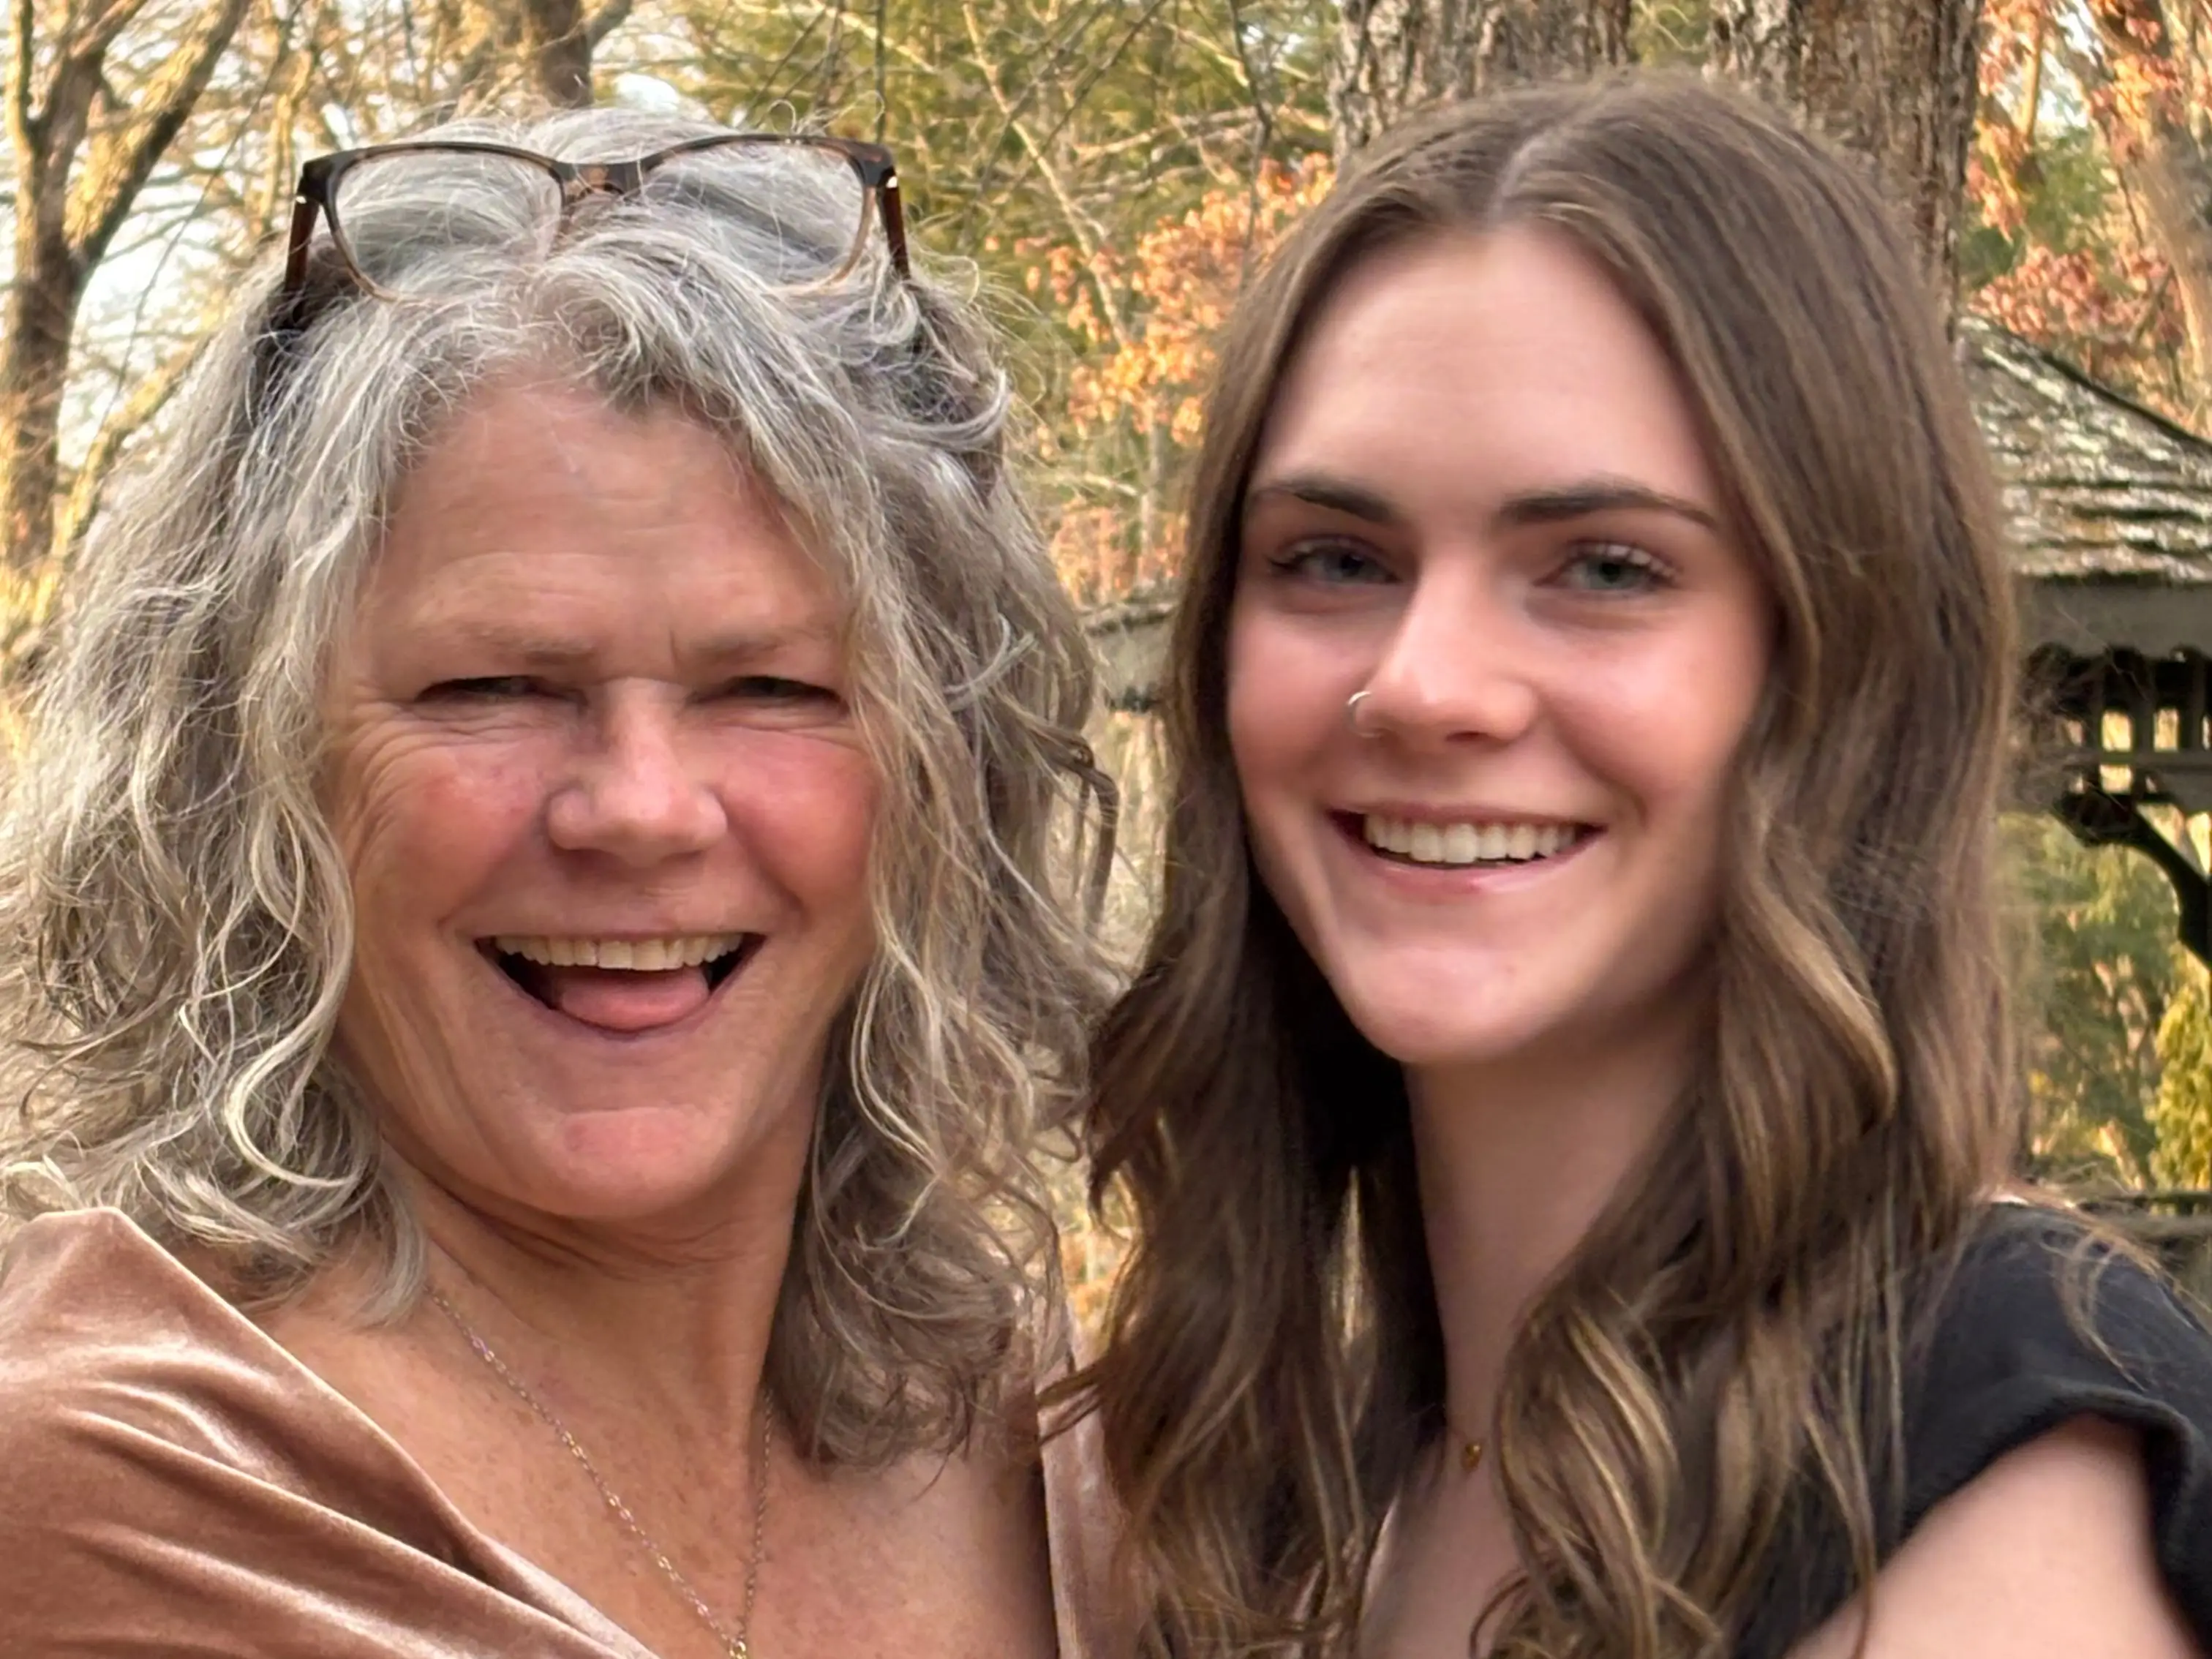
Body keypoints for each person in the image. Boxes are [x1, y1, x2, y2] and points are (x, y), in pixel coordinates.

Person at [1072, 75, 2212, 1659]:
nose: (1423, 684)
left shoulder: (1997, 1482)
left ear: (1839, 669)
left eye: (1607, 568)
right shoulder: (1301, 1464)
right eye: (1335, 559)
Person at [0, 107, 1123, 1659]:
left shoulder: (1037, 1422)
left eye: (773, 688)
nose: (641, 809)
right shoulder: (112, 1500)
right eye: (494, 686)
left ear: (951, 765)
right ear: (241, 759)